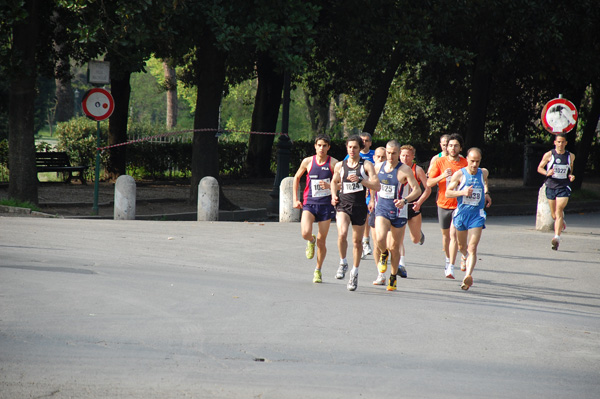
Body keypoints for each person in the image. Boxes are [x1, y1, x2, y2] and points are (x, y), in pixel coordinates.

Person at [331, 135, 380, 291]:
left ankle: (354, 272)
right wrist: (333, 195)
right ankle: (343, 262)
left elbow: (376, 185)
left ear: (360, 148)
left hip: (359, 206)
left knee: (357, 242)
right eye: (349, 147)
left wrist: (360, 180)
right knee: (342, 234)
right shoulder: (340, 165)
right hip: (343, 205)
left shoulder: (366, 165)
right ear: (346, 148)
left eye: (355, 147)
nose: (352, 150)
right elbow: (334, 181)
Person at [373, 140, 422, 291]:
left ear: (398, 153)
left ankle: (393, 276)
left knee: (395, 247)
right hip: (382, 208)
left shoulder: (405, 170)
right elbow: (373, 184)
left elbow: (417, 190)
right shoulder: (379, 166)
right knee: (380, 238)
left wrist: (405, 200)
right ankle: (383, 253)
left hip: (399, 212)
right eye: (388, 152)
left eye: (394, 153)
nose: (390, 156)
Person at [293, 135, 338, 283]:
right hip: (309, 203)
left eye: (325, 146)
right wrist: (295, 199)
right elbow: (296, 177)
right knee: (305, 232)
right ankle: (310, 240)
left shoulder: (333, 163)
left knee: (322, 241)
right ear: (315, 146)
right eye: (319, 145)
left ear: (328, 147)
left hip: (326, 205)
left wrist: (331, 186)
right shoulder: (308, 161)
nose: (322, 148)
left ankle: (318, 270)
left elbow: (342, 183)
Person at [445, 147, 492, 290]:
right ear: (467, 159)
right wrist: (463, 192)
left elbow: (485, 183)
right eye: (472, 161)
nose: (474, 164)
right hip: (461, 215)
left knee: (472, 247)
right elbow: (448, 192)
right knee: (462, 246)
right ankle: (464, 256)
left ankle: (468, 276)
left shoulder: (483, 172)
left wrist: (487, 193)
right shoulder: (460, 174)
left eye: (477, 161)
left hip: (476, 215)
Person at [426, 133, 468, 279]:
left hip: (460, 205)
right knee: (446, 237)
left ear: (460, 148)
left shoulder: (466, 163)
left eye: (456, 145)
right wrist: (442, 176)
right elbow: (429, 183)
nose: (453, 148)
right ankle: (449, 258)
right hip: (443, 203)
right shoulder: (439, 162)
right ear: (446, 147)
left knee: (454, 235)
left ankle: (451, 265)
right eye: (450, 145)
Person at [536, 134, 576, 250]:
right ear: (555, 142)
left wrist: (570, 176)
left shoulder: (571, 156)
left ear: (566, 143)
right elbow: (539, 168)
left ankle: (557, 237)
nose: (560, 144)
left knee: (559, 211)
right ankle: (560, 222)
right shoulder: (549, 155)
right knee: (554, 214)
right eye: (558, 142)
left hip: (563, 187)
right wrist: (546, 173)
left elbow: (570, 169)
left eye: (563, 142)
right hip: (551, 186)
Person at [397, 145, 431, 277]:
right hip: (400, 206)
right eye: (403, 155)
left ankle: (420, 235)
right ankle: (402, 264)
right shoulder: (396, 168)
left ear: (413, 157)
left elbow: (427, 188)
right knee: (399, 237)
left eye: (408, 155)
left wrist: (419, 202)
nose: (405, 158)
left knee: (415, 239)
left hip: (413, 205)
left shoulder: (417, 170)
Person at [344, 132, 376, 258]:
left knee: (368, 214)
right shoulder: (349, 156)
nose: (364, 142)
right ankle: (364, 241)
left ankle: (366, 240)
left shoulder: (374, 155)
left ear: (370, 143)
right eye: (362, 140)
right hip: (355, 191)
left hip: (370, 189)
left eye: (367, 140)